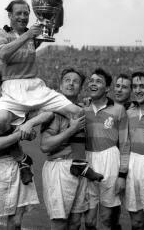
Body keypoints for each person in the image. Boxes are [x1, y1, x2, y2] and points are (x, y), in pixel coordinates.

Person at [0, 0, 84, 184]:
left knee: (77, 112)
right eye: (19, 13)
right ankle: (22, 159)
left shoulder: (34, 33)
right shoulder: (1, 33)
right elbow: (4, 55)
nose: (24, 17)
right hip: (10, 88)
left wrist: (57, 1)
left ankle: (79, 161)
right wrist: (27, 36)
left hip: (34, 86)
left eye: (26, 13)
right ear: (10, 15)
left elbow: (56, 25)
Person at [0, 68, 43, 230]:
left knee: (16, 223)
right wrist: (19, 134)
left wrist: (29, 127)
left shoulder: (15, 108)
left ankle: (24, 161)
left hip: (17, 166)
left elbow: (32, 134)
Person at [41, 67, 102, 230]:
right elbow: (44, 145)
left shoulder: (81, 110)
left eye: (76, 81)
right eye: (67, 80)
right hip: (59, 168)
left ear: (81, 88)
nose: (71, 84)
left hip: (80, 168)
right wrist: (71, 130)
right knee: (60, 223)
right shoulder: (52, 113)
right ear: (60, 86)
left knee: (75, 223)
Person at [84, 68, 130, 230]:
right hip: (87, 163)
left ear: (107, 89)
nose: (93, 83)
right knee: (89, 221)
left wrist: (122, 175)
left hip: (110, 161)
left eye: (98, 81)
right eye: (91, 80)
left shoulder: (118, 110)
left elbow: (125, 145)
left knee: (105, 219)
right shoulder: (82, 109)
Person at [124, 71, 144, 230]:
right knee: (136, 222)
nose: (138, 90)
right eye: (135, 86)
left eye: (142, 86)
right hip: (133, 167)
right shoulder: (128, 113)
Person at [111, 73, 132, 230]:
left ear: (130, 91)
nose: (119, 90)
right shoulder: (107, 107)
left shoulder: (135, 109)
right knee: (111, 209)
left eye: (124, 87)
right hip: (111, 162)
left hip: (132, 162)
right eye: (117, 86)